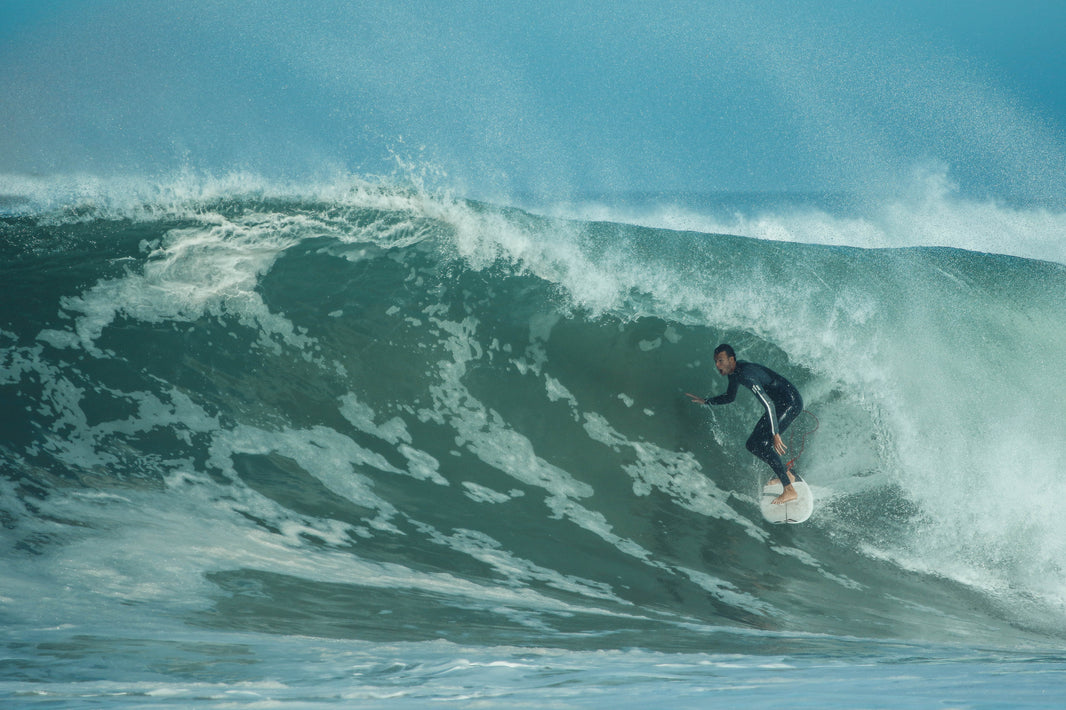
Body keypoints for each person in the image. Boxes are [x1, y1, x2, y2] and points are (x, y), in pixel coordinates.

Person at [687, 344, 804, 504]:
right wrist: (707, 401)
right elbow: (730, 397)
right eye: (716, 361)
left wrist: (775, 434)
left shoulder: (745, 375)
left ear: (731, 360)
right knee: (752, 444)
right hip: (780, 403)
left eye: (720, 361)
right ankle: (787, 474)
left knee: (762, 444)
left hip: (790, 402)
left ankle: (789, 489)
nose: (717, 365)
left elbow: (768, 404)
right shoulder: (734, 373)